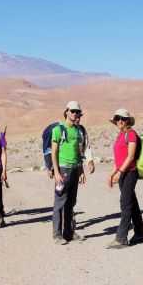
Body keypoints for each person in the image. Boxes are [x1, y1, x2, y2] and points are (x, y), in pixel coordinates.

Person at [106, 109, 143, 249]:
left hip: (130, 172)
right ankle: (140, 233)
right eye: (117, 118)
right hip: (123, 173)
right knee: (132, 203)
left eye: (123, 118)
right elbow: (118, 159)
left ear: (128, 120)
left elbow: (130, 157)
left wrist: (119, 172)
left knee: (125, 204)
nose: (120, 121)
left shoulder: (131, 135)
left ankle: (121, 237)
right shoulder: (120, 135)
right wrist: (112, 173)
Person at [51, 101, 86, 244]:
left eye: (78, 112)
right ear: (66, 111)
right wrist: (57, 172)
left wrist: (81, 170)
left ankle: (69, 232)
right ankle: (57, 235)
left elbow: (79, 151)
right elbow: (54, 152)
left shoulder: (78, 130)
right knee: (60, 202)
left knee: (71, 202)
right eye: (73, 111)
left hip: (75, 169)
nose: (75, 114)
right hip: (63, 170)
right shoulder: (58, 130)